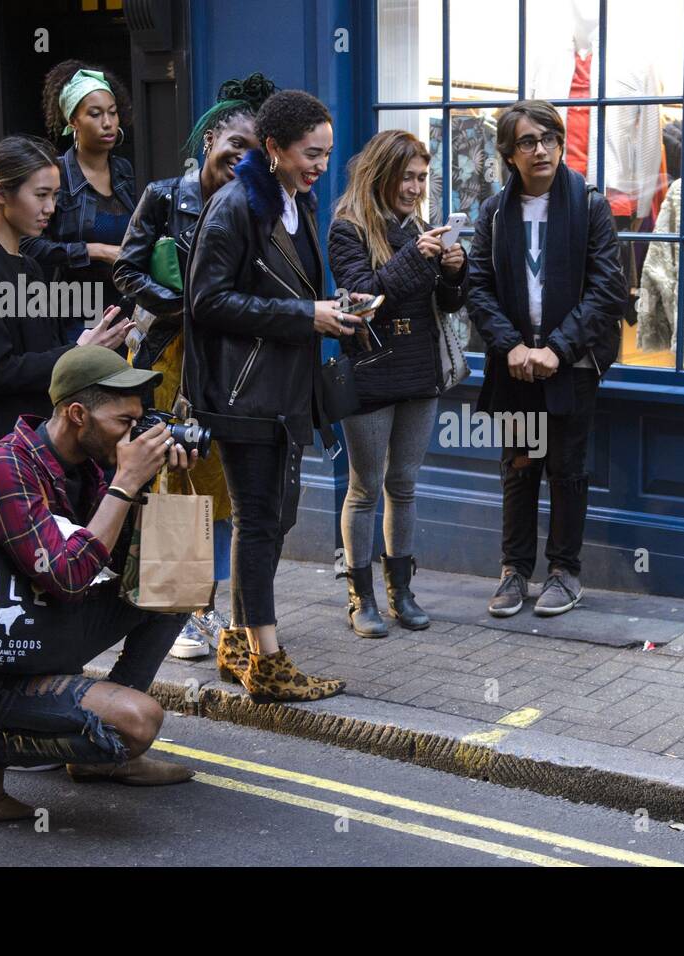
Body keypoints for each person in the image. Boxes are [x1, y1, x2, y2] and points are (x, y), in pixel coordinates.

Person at [0, 346, 198, 823]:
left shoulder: (91, 463)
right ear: (78, 414)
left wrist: (152, 483)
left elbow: (130, 566)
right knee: (139, 721)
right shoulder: (4, 468)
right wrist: (123, 484)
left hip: (47, 636)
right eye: (125, 421)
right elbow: (67, 577)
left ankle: (97, 751)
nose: (134, 434)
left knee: (173, 583)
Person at [185, 89, 371, 701]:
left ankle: (239, 643)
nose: (320, 165)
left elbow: (291, 291)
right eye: (310, 154)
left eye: (326, 154)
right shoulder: (235, 205)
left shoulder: (298, 204)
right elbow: (205, 302)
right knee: (261, 518)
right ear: (273, 149)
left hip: (284, 388)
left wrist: (337, 311)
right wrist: (304, 315)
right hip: (244, 394)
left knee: (265, 518)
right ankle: (266, 660)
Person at [113, 72, 276, 659]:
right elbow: (127, 271)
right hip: (168, 358)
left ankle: (209, 605)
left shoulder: (255, 205)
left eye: (255, 151)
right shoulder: (163, 196)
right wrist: (186, 307)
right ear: (209, 140)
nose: (243, 158)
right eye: (235, 144)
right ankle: (179, 615)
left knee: (220, 484)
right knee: (172, 476)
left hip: (229, 361)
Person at [467, 100, 626, 618]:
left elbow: (608, 289)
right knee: (518, 465)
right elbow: (477, 286)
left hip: (571, 365)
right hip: (515, 365)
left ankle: (564, 571)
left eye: (549, 139)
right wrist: (511, 344)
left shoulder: (588, 205)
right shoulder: (494, 212)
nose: (541, 150)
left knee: (567, 468)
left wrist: (557, 348)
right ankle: (514, 570)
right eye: (528, 142)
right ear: (508, 154)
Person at [328, 129, 468, 637]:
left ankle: (401, 593)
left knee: (404, 485)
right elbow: (363, 298)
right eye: (407, 177)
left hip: (419, 371)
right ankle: (360, 598)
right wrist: (420, 256)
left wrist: (455, 270)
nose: (415, 188)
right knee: (364, 488)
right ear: (382, 175)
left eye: (422, 178)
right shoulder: (348, 229)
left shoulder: (423, 229)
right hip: (370, 370)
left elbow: (448, 305)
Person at [0, 135, 132, 469]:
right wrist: (77, 352)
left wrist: (88, 348)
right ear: (1, 192)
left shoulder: (29, 265)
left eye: (56, 195)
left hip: (35, 445)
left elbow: (41, 350)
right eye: (41, 195)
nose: (51, 208)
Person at [22, 60, 137, 342]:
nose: (108, 122)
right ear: (73, 120)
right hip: (76, 313)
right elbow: (29, 246)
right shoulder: (56, 175)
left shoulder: (123, 170)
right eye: (95, 114)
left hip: (125, 310)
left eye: (112, 112)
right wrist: (96, 250)